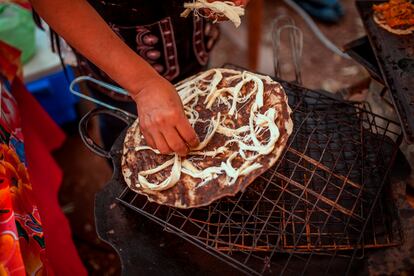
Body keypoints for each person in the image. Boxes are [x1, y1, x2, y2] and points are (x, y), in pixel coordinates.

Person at [30, 0, 247, 157]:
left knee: (203, 106)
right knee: (128, 138)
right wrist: (143, 86)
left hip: (188, 35)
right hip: (110, 46)